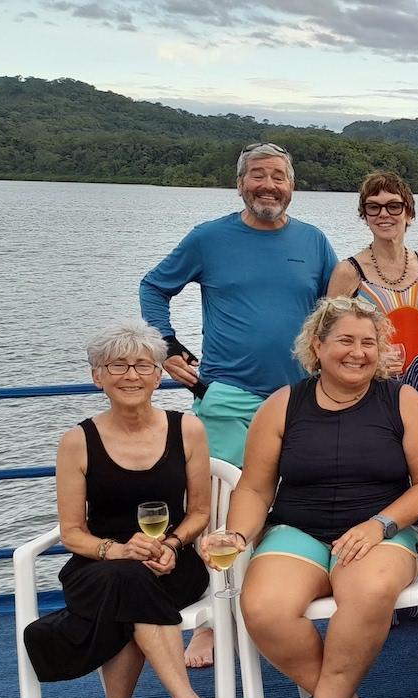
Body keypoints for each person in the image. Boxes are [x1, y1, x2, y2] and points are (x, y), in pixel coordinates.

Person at [218, 297, 418, 698]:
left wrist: (381, 523)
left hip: (378, 530)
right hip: (298, 529)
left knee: (367, 592)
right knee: (262, 609)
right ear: (317, 346)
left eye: (369, 342)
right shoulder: (283, 404)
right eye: (345, 340)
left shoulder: (402, 399)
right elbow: (256, 487)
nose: (358, 352)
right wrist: (237, 533)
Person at [22, 321, 255, 698]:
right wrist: (115, 550)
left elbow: (198, 514)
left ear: (157, 374)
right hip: (100, 563)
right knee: (126, 579)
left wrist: (170, 543)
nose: (132, 375)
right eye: (118, 366)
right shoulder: (77, 442)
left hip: (174, 562)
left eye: (143, 365)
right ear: (98, 377)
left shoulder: (186, 428)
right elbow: (72, 533)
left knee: (132, 583)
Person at [140, 142, 338, 668]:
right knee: (221, 512)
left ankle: (276, 606)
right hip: (228, 396)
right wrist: (166, 346)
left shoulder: (313, 242)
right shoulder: (209, 238)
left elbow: (338, 309)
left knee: (292, 505)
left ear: (291, 184)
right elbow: (153, 287)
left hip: (301, 398)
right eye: (257, 176)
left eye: (278, 175)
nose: (268, 184)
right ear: (240, 183)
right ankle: (211, 619)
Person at [328, 170, 418, 442]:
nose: (384, 214)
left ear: (409, 214)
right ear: (365, 216)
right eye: (374, 207)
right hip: (372, 389)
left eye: (394, 206)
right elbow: (329, 339)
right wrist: (375, 360)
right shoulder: (348, 272)